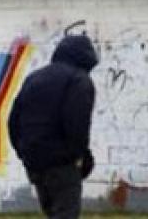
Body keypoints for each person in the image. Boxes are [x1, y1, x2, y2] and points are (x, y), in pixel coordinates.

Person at [8, 34, 99, 219]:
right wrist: (80, 155)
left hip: (34, 161)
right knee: (66, 213)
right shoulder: (78, 80)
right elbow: (77, 124)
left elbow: (13, 121)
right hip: (62, 163)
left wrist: (24, 152)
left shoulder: (33, 78)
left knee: (53, 213)